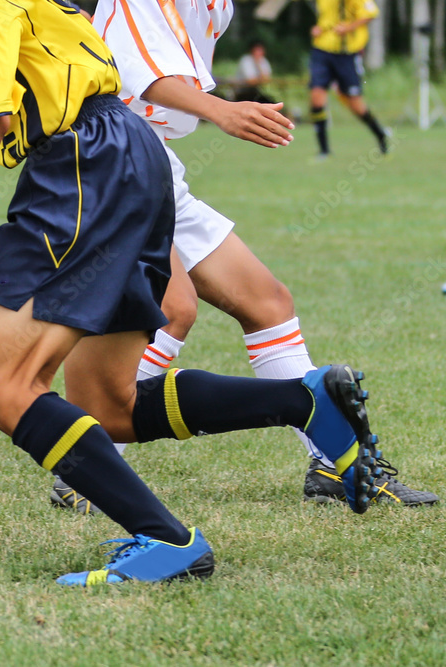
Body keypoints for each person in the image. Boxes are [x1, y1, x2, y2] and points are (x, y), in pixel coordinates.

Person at [0, 0, 385, 587]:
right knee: (110, 405)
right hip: (128, 147)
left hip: (80, 163)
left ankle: (170, 542)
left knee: (3, 387)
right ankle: (306, 401)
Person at [48, 0, 436, 518]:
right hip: (107, 153)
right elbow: (139, 72)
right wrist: (224, 111)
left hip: (152, 156)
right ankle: (84, 468)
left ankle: (331, 464)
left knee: (267, 301)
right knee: (175, 307)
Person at [309, 0, 388, 158]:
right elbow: (326, 18)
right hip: (322, 51)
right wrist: (318, 29)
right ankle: (324, 150)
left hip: (347, 55)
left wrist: (348, 27)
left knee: (356, 106)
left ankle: (381, 135)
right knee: (316, 99)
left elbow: (371, 13)